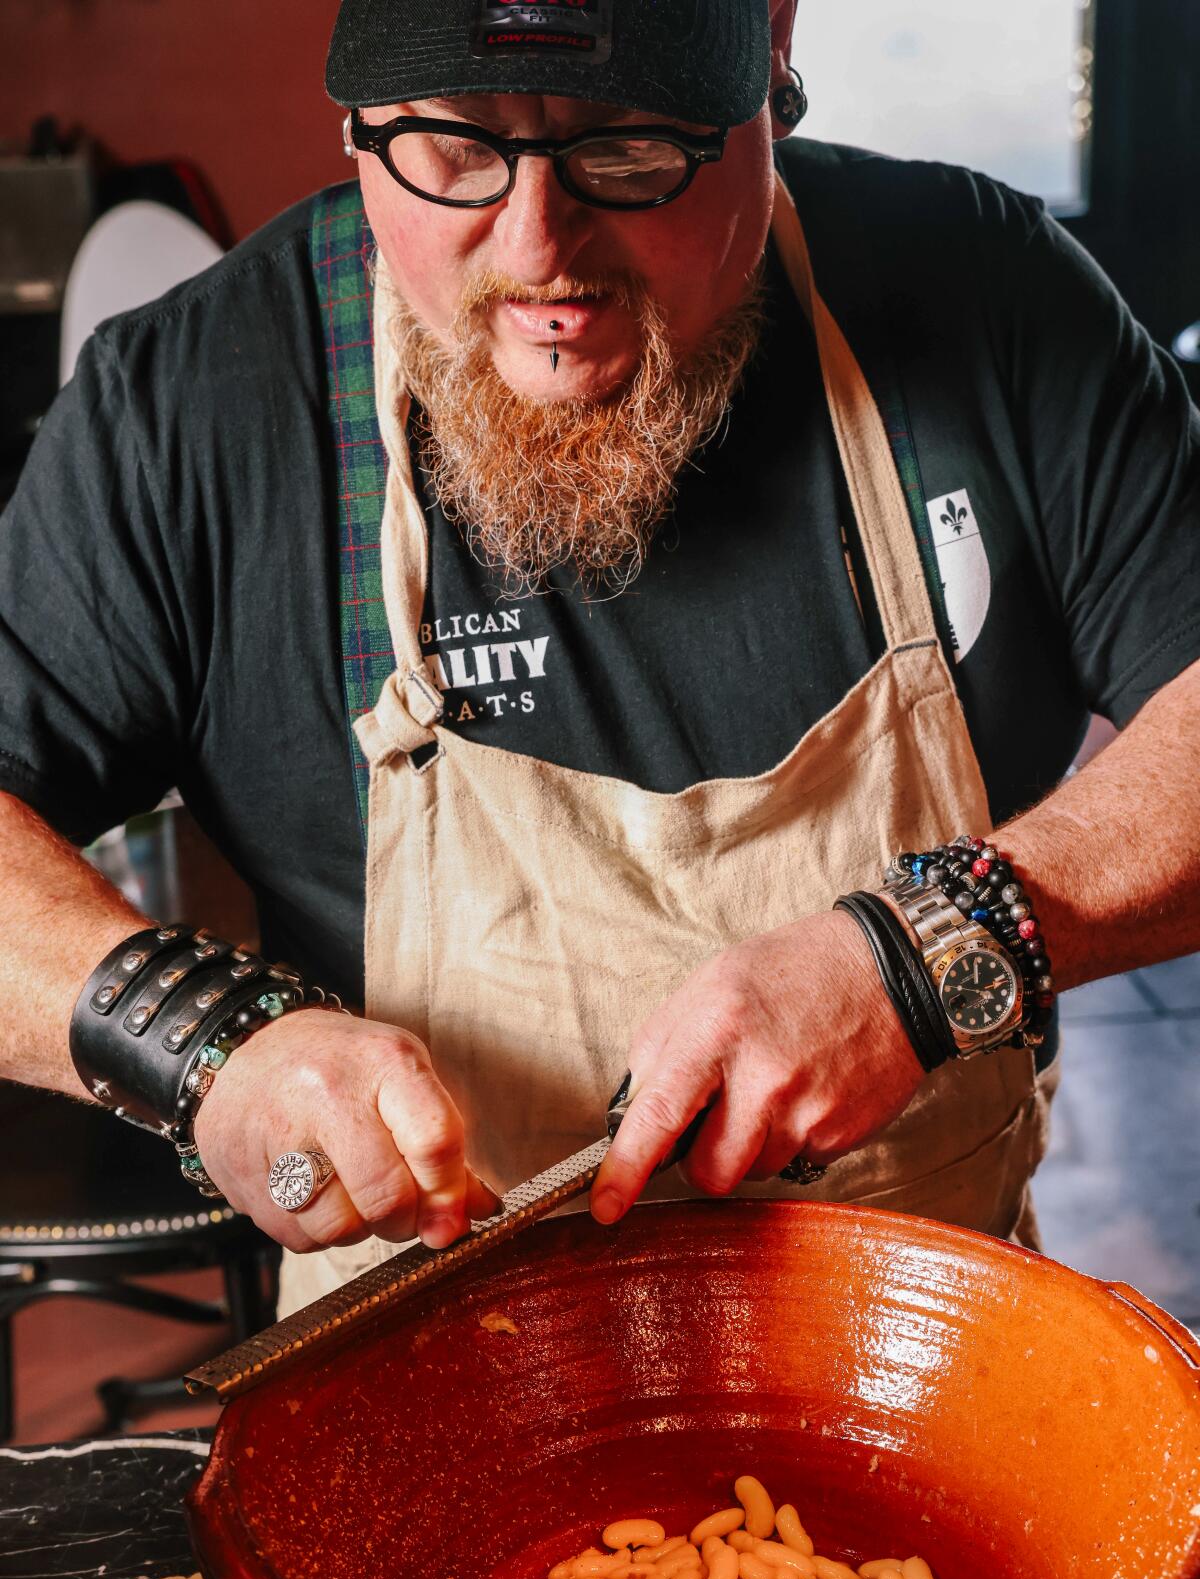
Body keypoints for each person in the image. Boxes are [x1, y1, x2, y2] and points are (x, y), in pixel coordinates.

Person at [0, 0, 1196, 1318]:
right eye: (451, 149)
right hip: (423, 1369)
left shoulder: (986, 294)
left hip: (922, 1363)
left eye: (628, 150)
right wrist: (199, 1044)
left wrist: (932, 950)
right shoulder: (189, 407)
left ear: (773, 56)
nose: (538, 252)